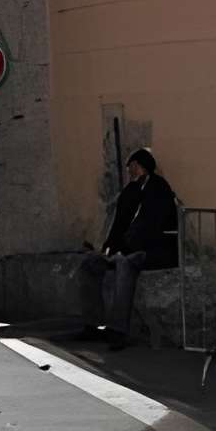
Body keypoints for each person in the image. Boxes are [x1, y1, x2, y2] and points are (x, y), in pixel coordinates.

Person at [82, 148, 178, 348]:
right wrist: (108, 248)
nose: (129, 172)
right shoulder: (131, 191)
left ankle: (117, 330)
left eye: (132, 167)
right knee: (90, 263)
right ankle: (92, 324)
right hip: (127, 249)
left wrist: (123, 250)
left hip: (153, 249)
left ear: (141, 166)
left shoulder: (159, 188)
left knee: (124, 265)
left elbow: (150, 225)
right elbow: (120, 222)